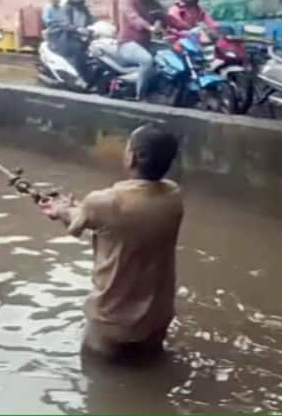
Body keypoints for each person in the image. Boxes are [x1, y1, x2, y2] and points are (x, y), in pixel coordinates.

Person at [39, 124, 184, 361]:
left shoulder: (104, 201)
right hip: (157, 320)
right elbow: (118, 222)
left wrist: (63, 210)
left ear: (133, 157)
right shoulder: (174, 195)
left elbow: (77, 223)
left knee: (96, 381)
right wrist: (80, 209)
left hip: (110, 322)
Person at [117, 0, 190, 100]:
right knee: (147, 61)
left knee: (174, 52)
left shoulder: (154, 3)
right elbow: (133, 18)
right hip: (128, 43)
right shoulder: (128, 1)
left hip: (148, 42)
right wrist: (149, 27)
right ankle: (140, 96)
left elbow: (168, 18)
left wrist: (189, 28)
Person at [48, 0, 95, 79]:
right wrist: (77, 29)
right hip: (66, 38)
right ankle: (80, 77)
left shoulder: (84, 9)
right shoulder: (66, 8)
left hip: (82, 38)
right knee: (78, 50)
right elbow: (65, 24)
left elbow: (91, 21)